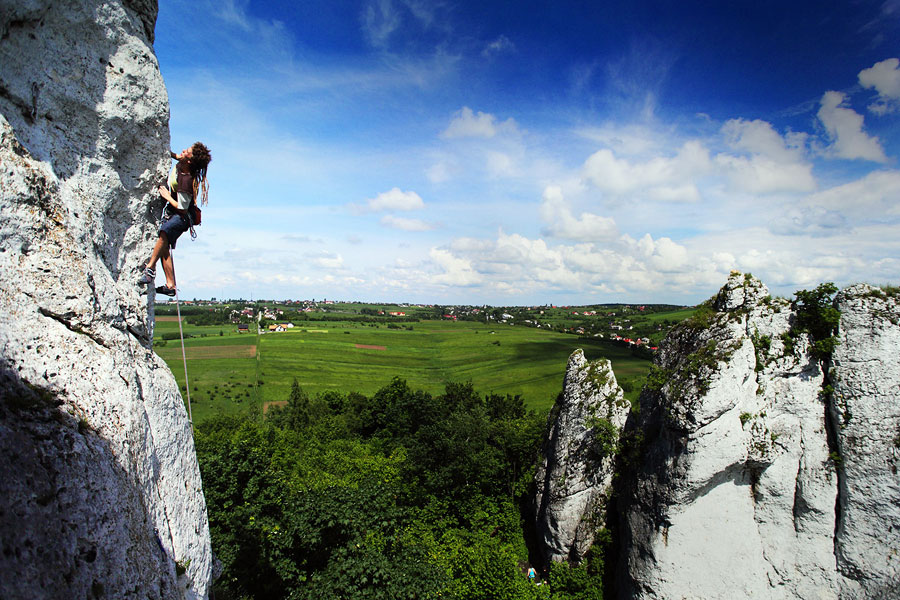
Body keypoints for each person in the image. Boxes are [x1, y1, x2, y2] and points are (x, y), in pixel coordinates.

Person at [138, 142, 211, 295]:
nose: (183, 151)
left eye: (187, 152)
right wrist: (165, 151)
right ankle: (170, 286)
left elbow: (183, 209)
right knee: (164, 246)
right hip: (176, 211)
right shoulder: (183, 163)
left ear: (189, 161)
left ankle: (150, 269)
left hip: (183, 215)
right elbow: (177, 156)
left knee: (165, 233)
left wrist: (166, 196)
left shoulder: (186, 179)